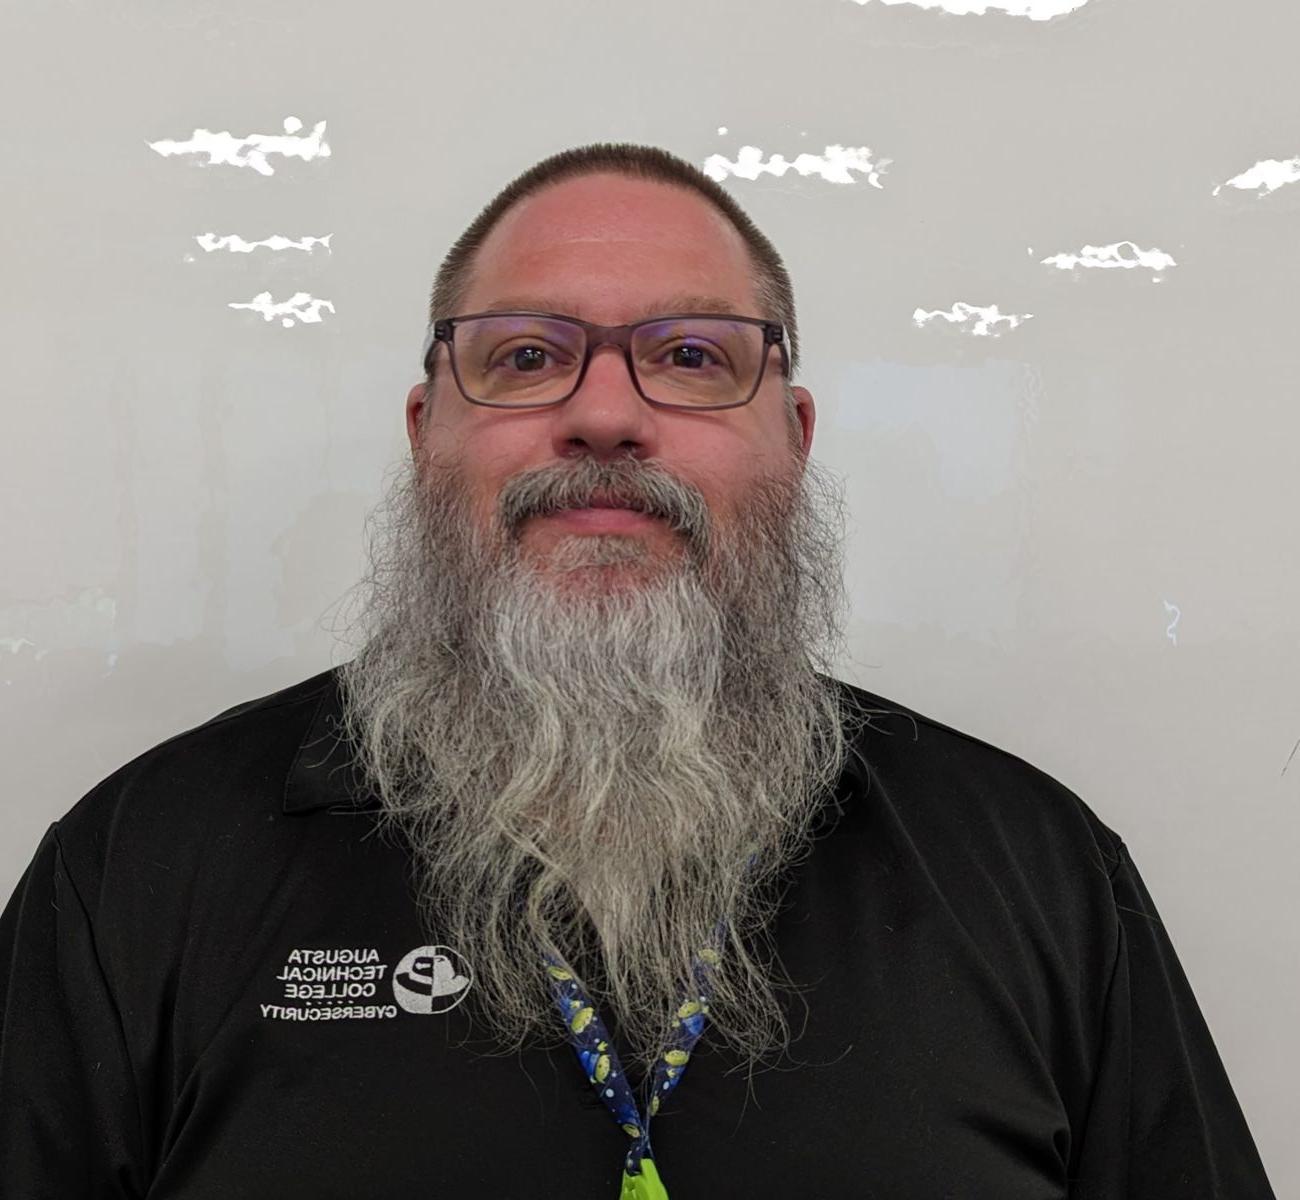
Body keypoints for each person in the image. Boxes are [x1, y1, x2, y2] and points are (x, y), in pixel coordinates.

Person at [0, 142, 1276, 1200]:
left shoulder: (1035, 869)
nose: (606, 413)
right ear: (422, 431)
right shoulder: (139, 869)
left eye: (690, 357)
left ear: (794, 434)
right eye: (524, 356)